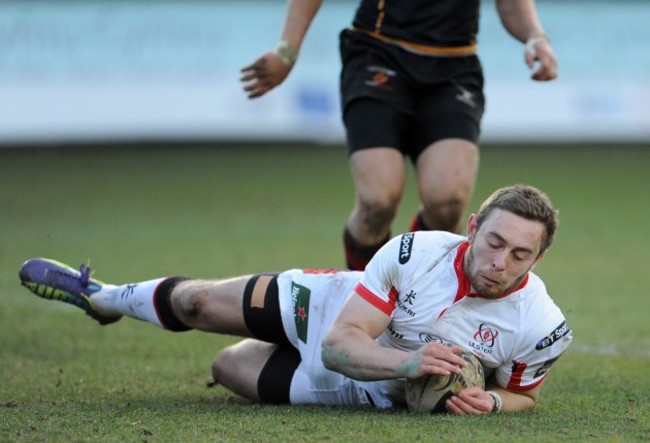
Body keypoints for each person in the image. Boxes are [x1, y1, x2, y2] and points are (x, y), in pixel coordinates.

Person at [19, 184, 572, 414]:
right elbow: (338, 344)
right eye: (494, 242)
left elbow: (523, 393)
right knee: (199, 306)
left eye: (520, 254)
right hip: (332, 309)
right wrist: (411, 362)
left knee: (226, 366)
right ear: (473, 228)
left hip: (364, 391)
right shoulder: (414, 252)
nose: (500, 262)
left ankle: (254, 349)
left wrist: (492, 403)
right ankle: (103, 295)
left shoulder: (543, 324)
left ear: (538, 260)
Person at [240, 0, 559, 270]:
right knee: (377, 203)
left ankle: (414, 298)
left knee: (447, 202)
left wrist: (536, 37)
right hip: (378, 53)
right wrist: (287, 49)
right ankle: (363, 299)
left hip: (453, 67)